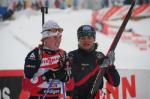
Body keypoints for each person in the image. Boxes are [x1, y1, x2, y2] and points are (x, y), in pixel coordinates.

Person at [66, 25, 120, 99]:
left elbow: (115, 82)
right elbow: (76, 82)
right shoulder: (71, 56)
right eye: (83, 38)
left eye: (89, 37)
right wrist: (98, 66)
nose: (86, 40)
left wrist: (110, 66)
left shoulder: (100, 57)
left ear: (94, 39)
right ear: (78, 39)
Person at [22, 20, 69, 99]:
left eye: (60, 37)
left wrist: (64, 77)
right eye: (54, 37)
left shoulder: (63, 54)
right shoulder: (35, 54)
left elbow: (71, 84)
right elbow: (26, 86)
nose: (58, 40)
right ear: (45, 38)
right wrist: (47, 76)